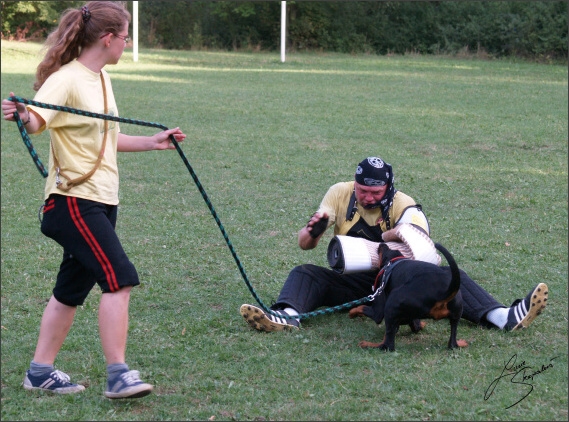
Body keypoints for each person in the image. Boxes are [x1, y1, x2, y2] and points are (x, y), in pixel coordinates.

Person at [1, 2, 186, 398]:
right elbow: (37, 119)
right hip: (72, 202)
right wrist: (22, 114)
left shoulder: (100, 78)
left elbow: (104, 139)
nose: (127, 43)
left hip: (100, 200)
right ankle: (118, 374)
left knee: (70, 290)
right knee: (119, 279)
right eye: (125, 37)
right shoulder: (66, 78)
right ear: (107, 39)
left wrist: (152, 143)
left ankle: (39, 372)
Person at [240, 156, 548, 334]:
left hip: (396, 285)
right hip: (353, 281)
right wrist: (315, 231)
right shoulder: (339, 192)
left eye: (376, 192)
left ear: (389, 188)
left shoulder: (405, 204)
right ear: (354, 184)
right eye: (362, 191)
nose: (368, 197)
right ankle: (286, 316)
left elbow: (423, 252)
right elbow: (305, 244)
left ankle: (502, 316)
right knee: (305, 271)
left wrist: (390, 238)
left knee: (452, 276)